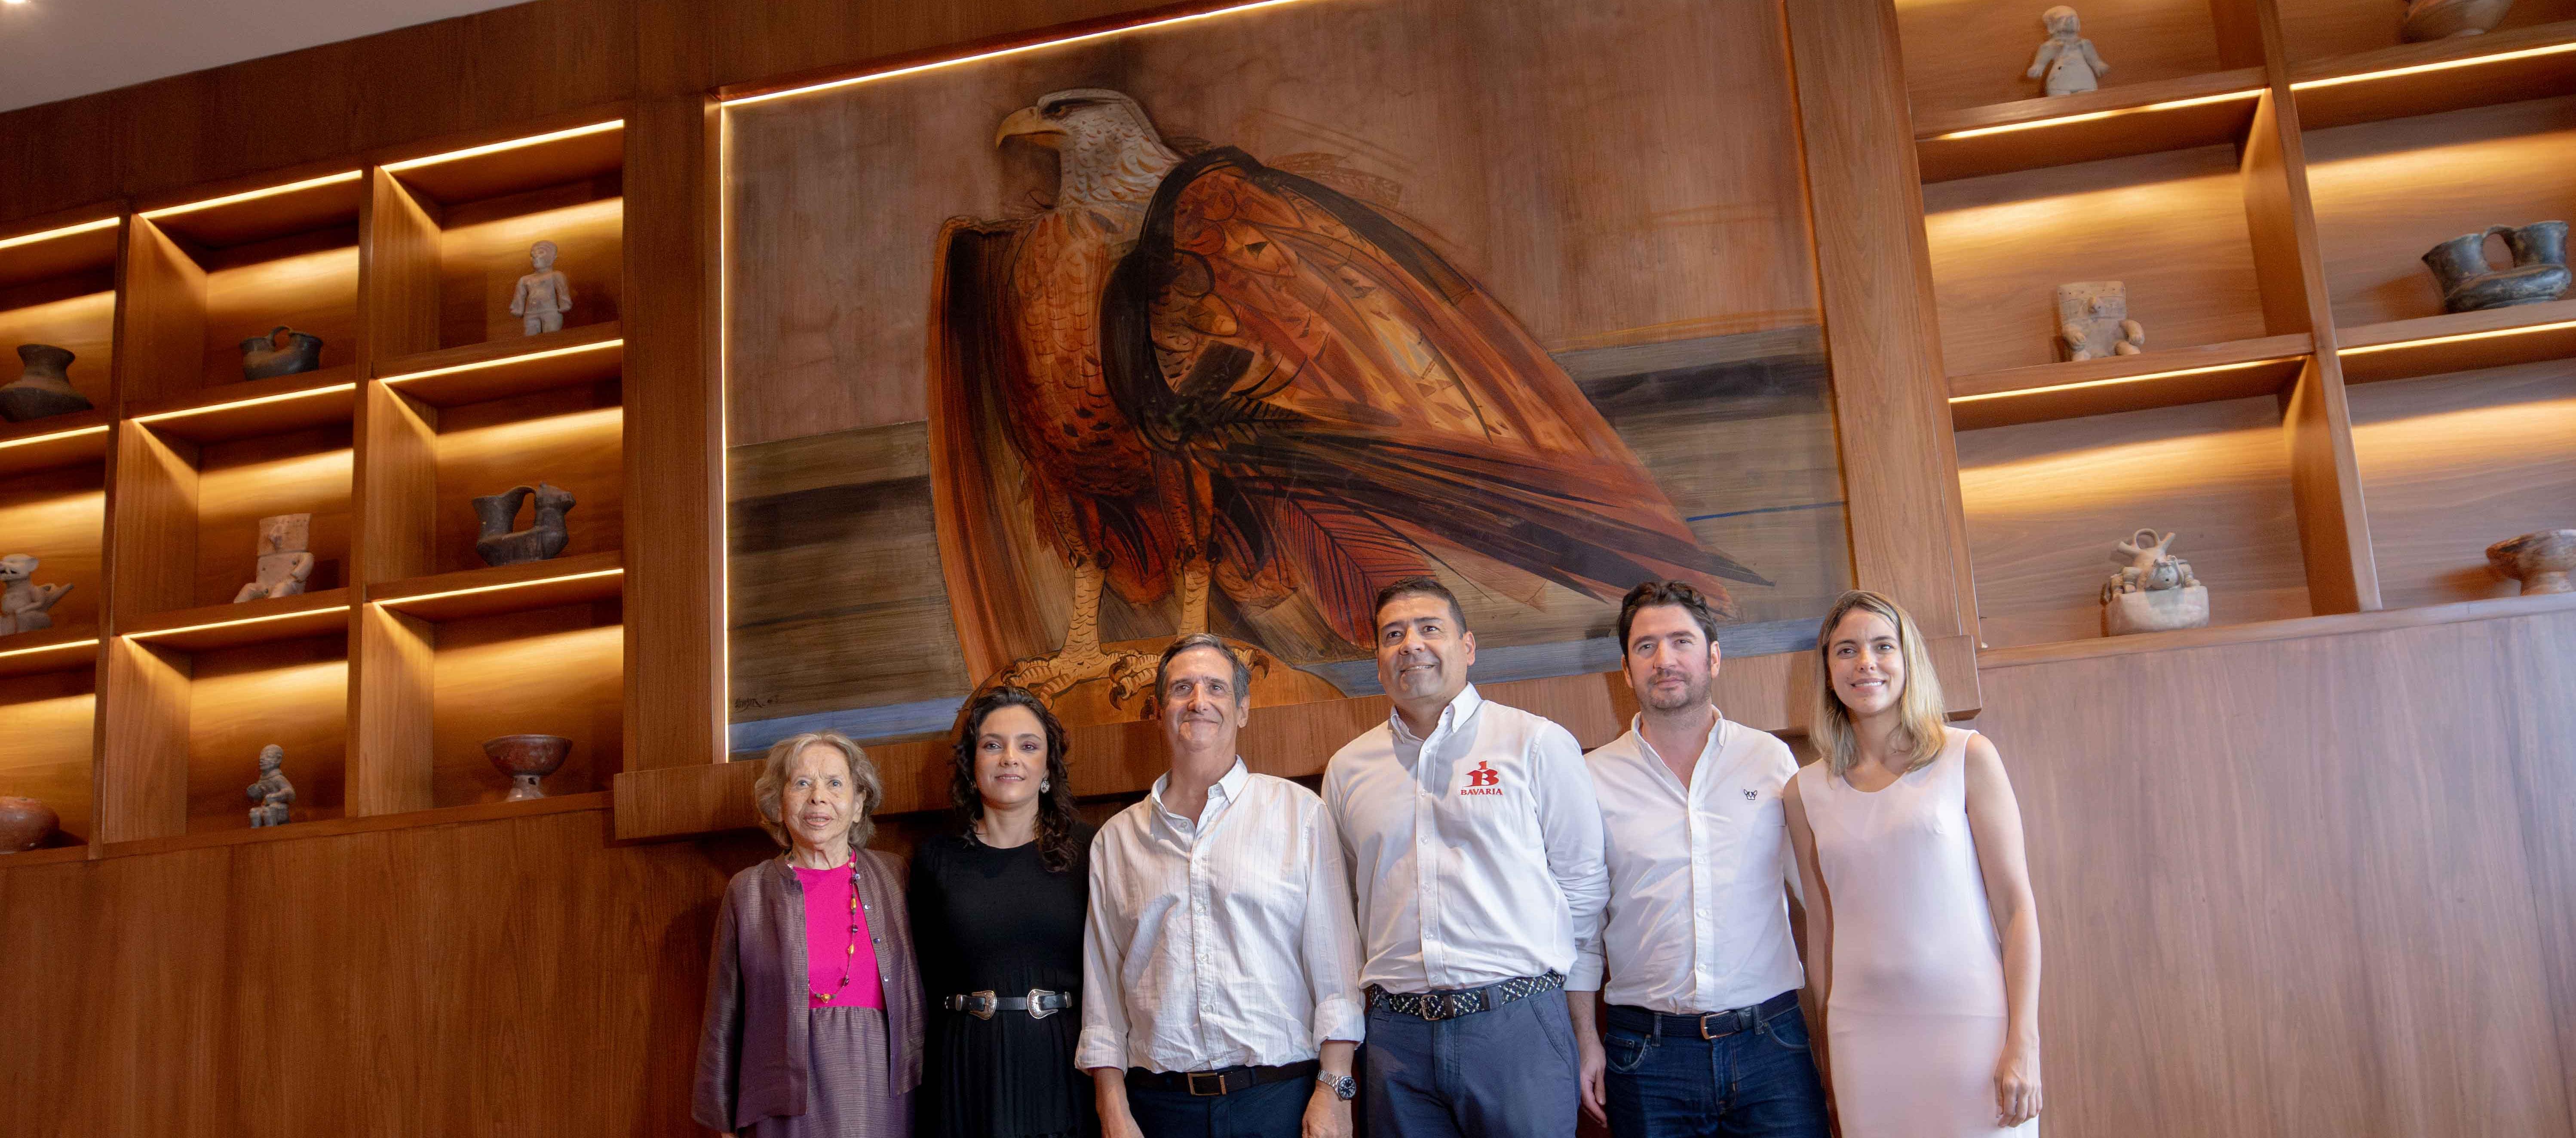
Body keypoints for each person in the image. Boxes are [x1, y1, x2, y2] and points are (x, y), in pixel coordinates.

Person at [1322, 577, 1609, 1138]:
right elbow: (1344, 910)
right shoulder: (1348, 769)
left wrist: (1583, 1029)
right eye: (1393, 635)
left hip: (1519, 1023)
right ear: (1378, 661)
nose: (1411, 644)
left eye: (1430, 628)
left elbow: (1582, 890)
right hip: (1396, 1037)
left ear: (1468, 647)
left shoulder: (1535, 743)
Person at [1079, 634, 1366, 1138]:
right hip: (1159, 1108)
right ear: (1158, 711)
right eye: (1182, 688)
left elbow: (1337, 973)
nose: (1198, 701)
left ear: (1243, 710)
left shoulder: (1299, 815)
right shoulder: (1115, 841)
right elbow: (1101, 989)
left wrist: (1335, 1090)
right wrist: (1112, 1109)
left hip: (1280, 1099)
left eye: (1215, 687)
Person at [1783, 591, 2044, 1136]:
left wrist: (2024, 1040)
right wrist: (1828, 1052)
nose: (1866, 663)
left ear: (1908, 660)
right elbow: (1823, 933)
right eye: (1846, 650)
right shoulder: (1803, 791)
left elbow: (2016, 909)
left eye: (1883, 646)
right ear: (1828, 671)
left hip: (1972, 1026)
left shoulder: (1966, 756)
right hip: (1862, 1038)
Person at [1582, 581, 1828, 1137]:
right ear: (1626, 670)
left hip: (1772, 1043)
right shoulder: (1591, 778)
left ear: (1713, 657)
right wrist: (1585, 1039)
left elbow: (1819, 897)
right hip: (1646, 1057)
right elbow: (1580, 928)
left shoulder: (1768, 759)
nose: (1664, 659)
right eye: (1646, 646)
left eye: (1681, 641)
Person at [695, 731, 924, 1138]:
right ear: (779, 803)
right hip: (781, 1103)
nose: (818, 797)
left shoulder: (895, 877)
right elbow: (723, 1013)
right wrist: (723, 1119)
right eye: (802, 783)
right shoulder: (748, 892)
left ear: (858, 804)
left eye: (835, 784)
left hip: (882, 1092)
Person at [912, 687, 1099, 1138]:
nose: (1009, 758)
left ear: (1048, 768)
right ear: (972, 764)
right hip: (965, 1067)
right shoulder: (935, 859)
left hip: (1063, 1064)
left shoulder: (1090, 849)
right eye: (993, 745)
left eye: (1028, 746)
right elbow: (923, 981)